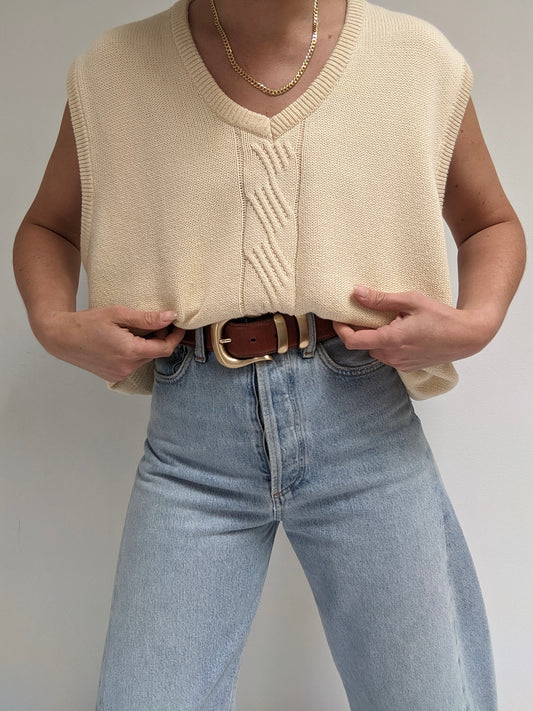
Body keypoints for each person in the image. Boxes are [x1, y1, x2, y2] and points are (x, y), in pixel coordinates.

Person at [13, 0, 525, 709]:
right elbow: (47, 226)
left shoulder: (415, 59)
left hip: (366, 432)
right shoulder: (113, 71)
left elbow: (490, 221)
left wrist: (478, 321)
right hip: (192, 450)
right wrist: (51, 323)